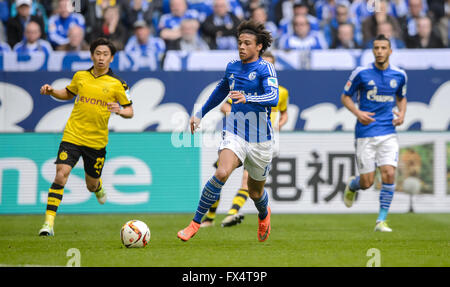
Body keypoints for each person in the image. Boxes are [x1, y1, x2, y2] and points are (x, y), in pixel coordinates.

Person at [177, 20, 278, 242]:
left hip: (261, 140)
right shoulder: (232, 66)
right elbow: (221, 90)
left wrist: (248, 97)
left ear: (259, 46)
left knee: (255, 193)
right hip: (235, 131)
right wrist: (200, 113)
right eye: (239, 42)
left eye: (247, 43)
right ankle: (195, 223)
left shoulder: (265, 68)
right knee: (221, 172)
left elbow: (274, 97)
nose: (241, 47)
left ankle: (264, 214)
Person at [38, 38, 134, 236]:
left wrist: (119, 110)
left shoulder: (118, 84)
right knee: (61, 173)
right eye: (97, 53)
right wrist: (52, 91)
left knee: (91, 185)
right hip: (73, 135)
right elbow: (68, 93)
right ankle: (48, 224)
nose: (101, 58)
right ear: (92, 55)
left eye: (105, 54)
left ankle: (97, 186)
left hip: (96, 142)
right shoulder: (80, 76)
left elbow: (130, 111)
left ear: (112, 58)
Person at [200, 50, 289, 228]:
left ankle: (232, 212)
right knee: (220, 172)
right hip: (239, 133)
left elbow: (284, 112)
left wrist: (280, 123)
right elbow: (225, 104)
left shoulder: (281, 92)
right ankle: (210, 217)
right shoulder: (245, 83)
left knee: (247, 180)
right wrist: (235, 113)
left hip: (262, 137)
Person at [341, 34, 407, 232]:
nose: (379, 51)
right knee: (367, 182)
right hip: (366, 132)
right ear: (373, 51)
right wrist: (358, 112)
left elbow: (401, 97)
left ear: (390, 51)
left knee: (389, 173)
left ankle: (381, 220)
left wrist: (402, 114)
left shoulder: (399, 75)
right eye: (376, 48)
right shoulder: (361, 73)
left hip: (388, 131)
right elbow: (345, 97)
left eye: (383, 48)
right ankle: (353, 185)